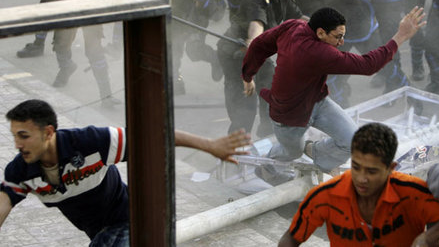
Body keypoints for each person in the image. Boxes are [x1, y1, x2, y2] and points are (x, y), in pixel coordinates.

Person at [0, 99, 251, 245]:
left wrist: (210, 145)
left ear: (48, 132)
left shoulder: (90, 142)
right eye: (14, 137)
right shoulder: (21, 171)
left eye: (24, 136)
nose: (18, 144)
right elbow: (3, 203)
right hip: (99, 234)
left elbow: (151, 135)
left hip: (131, 221)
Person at [243, 6, 425, 182]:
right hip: (289, 115)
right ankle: (266, 167)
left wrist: (247, 75)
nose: (342, 43)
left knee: (353, 142)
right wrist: (401, 36)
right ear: (320, 33)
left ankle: (316, 154)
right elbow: (369, 65)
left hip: (317, 102)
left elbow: (259, 44)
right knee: (291, 152)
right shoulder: (318, 53)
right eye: (338, 37)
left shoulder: (294, 25)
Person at [278, 122, 439, 246]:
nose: (361, 178)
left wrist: (430, 238)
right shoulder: (324, 196)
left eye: (371, 171)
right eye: (356, 167)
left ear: (390, 168)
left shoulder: (414, 193)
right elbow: (291, 239)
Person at [217, 0, 306, 137]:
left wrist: (326, 27)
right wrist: (248, 78)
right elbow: (255, 34)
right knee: (244, 110)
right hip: (238, 56)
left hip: (258, 54)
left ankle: (268, 142)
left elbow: (301, 19)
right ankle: (234, 158)